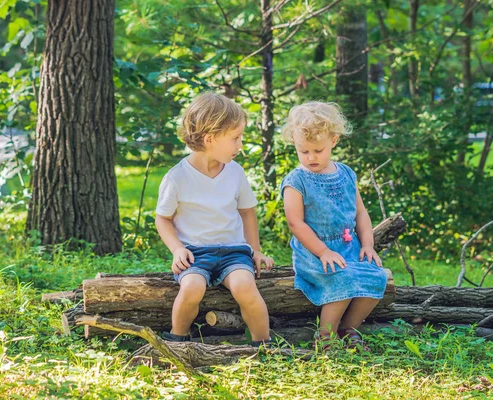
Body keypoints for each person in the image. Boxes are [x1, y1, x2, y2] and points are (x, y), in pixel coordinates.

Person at [155, 92, 274, 346]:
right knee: (191, 288)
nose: (240, 145)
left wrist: (255, 250)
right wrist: (177, 250)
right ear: (210, 139)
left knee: (245, 286)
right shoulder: (177, 177)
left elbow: (247, 212)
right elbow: (162, 219)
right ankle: (178, 340)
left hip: (234, 251)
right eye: (235, 138)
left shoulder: (235, 172)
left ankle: (264, 345)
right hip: (195, 253)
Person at [280, 101, 387, 351]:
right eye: (303, 151)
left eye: (318, 150)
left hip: (349, 247)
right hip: (315, 252)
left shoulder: (347, 173)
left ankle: (348, 328)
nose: (311, 157)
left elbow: (360, 212)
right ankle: (325, 336)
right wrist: (323, 251)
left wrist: (368, 244)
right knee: (344, 279)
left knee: (377, 277)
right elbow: (295, 223)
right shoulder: (297, 180)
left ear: (334, 141)